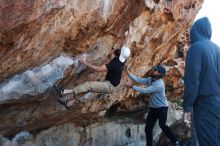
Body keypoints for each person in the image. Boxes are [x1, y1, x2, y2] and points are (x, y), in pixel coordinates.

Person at [183, 17, 220, 146]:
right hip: (217, 102)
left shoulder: (196, 48)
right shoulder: (217, 49)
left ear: (195, 30)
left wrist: (187, 108)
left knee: (208, 141)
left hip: (205, 105)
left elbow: (192, 82)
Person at [55, 46, 130, 108]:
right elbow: (124, 51)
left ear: (119, 52)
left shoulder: (116, 63)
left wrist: (84, 62)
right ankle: (68, 104)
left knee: (88, 85)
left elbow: (99, 69)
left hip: (109, 86)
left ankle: (64, 92)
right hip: (110, 84)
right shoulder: (123, 60)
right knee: (88, 90)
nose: (118, 48)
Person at [123, 65, 179, 146]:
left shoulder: (159, 84)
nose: (153, 70)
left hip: (162, 108)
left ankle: (175, 142)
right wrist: (127, 71)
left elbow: (145, 90)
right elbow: (139, 80)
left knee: (162, 125)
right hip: (153, 109)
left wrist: (132, 86)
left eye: (155, 69)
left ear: (159, 73)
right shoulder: (150, 79)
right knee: (148, 129)